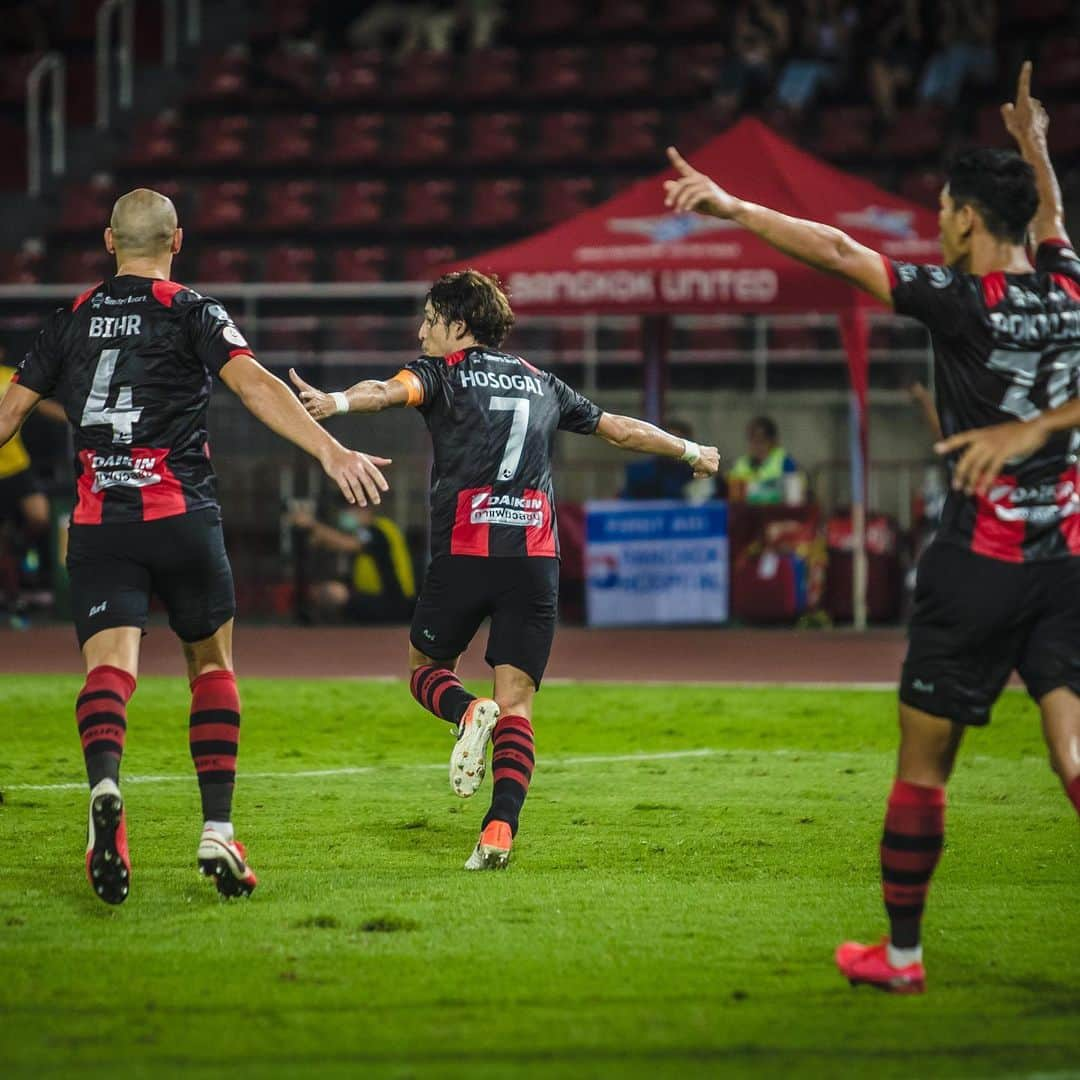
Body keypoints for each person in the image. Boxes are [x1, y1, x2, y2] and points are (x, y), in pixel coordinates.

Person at [663, 61, 1080, 993]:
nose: (936, 222)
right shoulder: (1070, 288)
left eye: (941, 209)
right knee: (1072, 751)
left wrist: (733, 207)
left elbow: (841, 253)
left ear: (969, 220)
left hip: (979, 561)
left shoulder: (964, 303)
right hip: (1069, 561)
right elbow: (1053, 225)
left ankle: (900, 956)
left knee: (925, 768)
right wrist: (1040, 150)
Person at [2, 189, 390, 905]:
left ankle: (107, 790)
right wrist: (331, 451)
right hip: (181, 516)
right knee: (212, 665)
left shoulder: (69, 322)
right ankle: (216, 827)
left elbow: (8, 418)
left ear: (107, 240)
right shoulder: (194, 310)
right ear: (176, 240)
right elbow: (257, 388)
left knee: (110, 669)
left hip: (101, 522)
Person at [289, 270, 719, 869]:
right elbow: (622, 430)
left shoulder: (439, 372)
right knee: (516, 703)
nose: (421, 331)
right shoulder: (544, 382)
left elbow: (384, 390)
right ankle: (497, 834)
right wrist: (693, 451)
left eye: (430, 321)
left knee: (425, 668)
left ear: (458, 327)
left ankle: (466, 711)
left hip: (466, 550)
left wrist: (333, 402)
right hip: (535, 558)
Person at [289, 502, 416, 623]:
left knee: (334, 592)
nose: (346, 514)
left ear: (364, 509)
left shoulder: (378, 530)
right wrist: (317, 537)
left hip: (393, 604)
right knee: (325, 590)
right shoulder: (366, 532)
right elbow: (336, 543)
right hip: (375, 598)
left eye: (349, 510)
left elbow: (347, 543)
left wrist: (313, 525)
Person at [727, 416, 800, 504]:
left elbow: (793, 496)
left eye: (761, 441)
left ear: (773, 441)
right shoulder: (741, 463)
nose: (757, 446)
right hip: (746, 514)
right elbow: (732, 493)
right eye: (753, 441)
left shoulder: (784, 462)